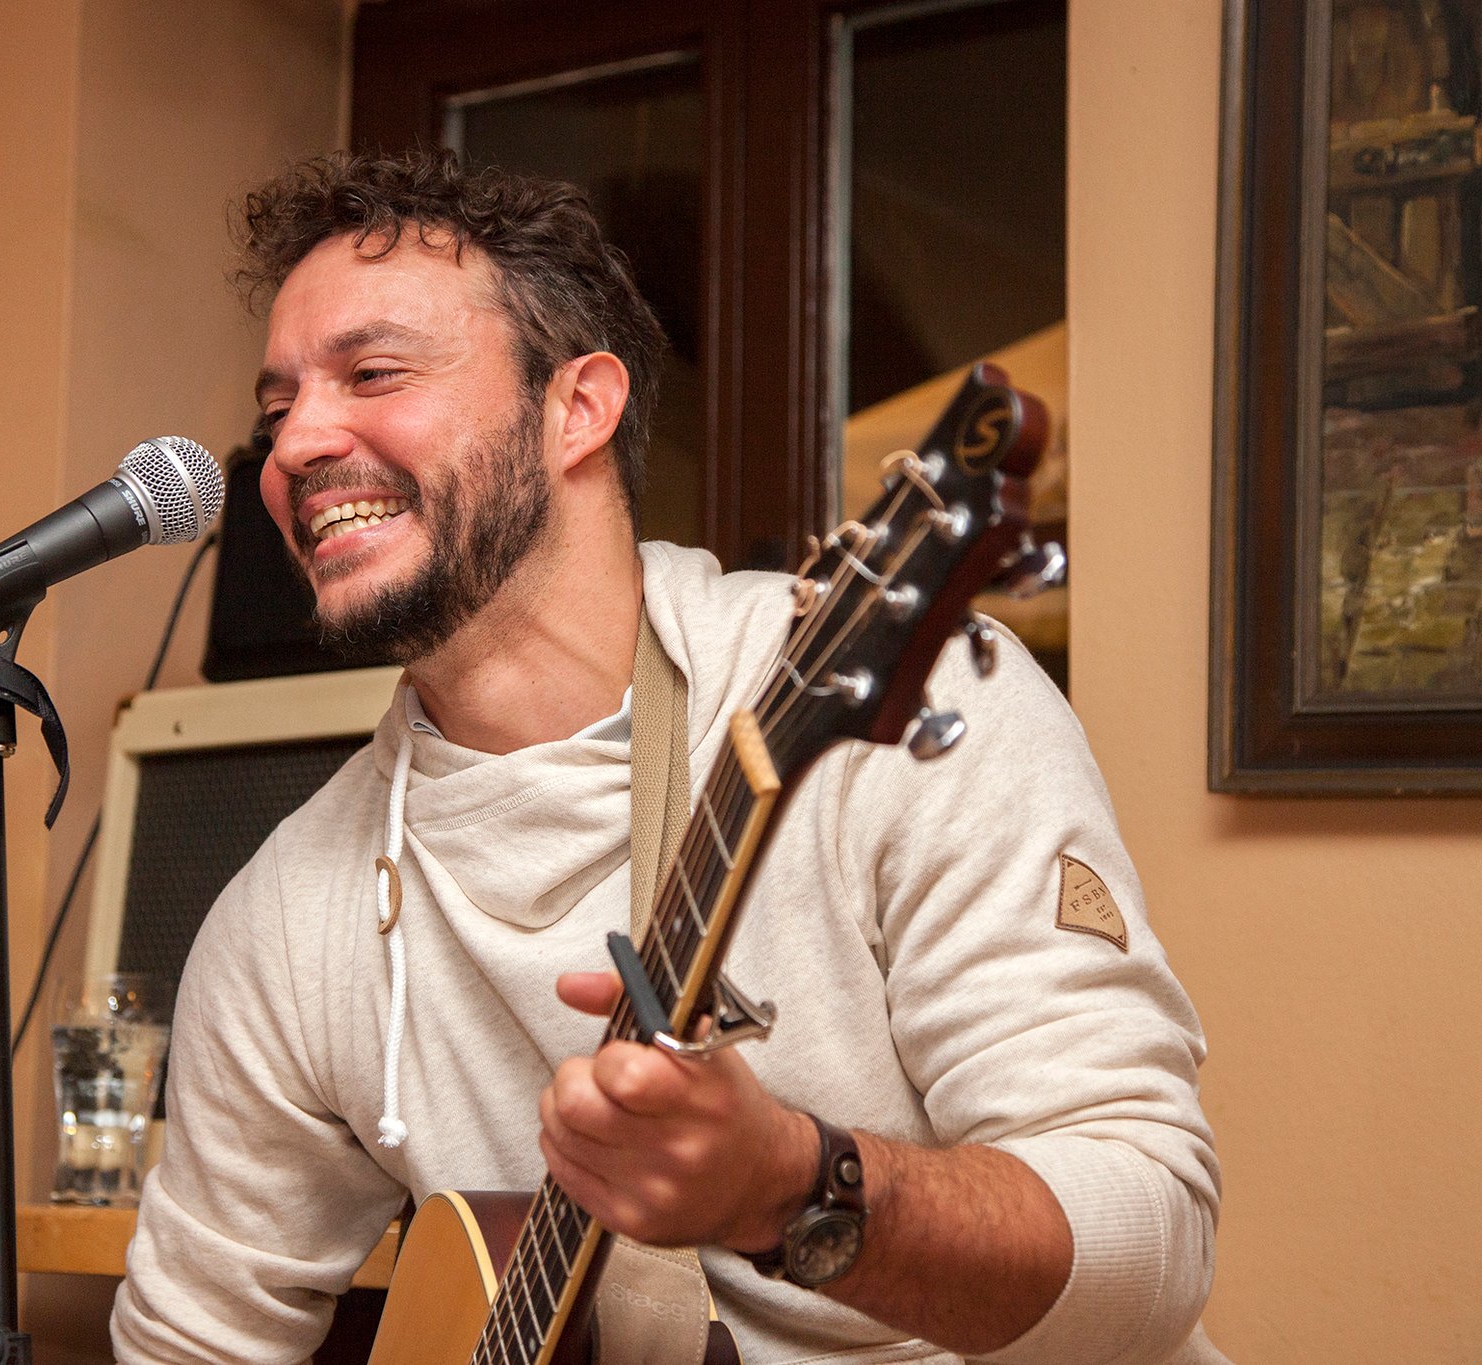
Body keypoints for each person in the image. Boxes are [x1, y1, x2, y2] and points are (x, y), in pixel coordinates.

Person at [111, 149, 1223, 1365]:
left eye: (371, 374)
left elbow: (1146, 1253)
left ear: (576, 406)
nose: (293, 445)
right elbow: (191, 1338)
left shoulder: (883, 703)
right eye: (277, 411)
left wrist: (794, 1188)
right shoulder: (285, 921)